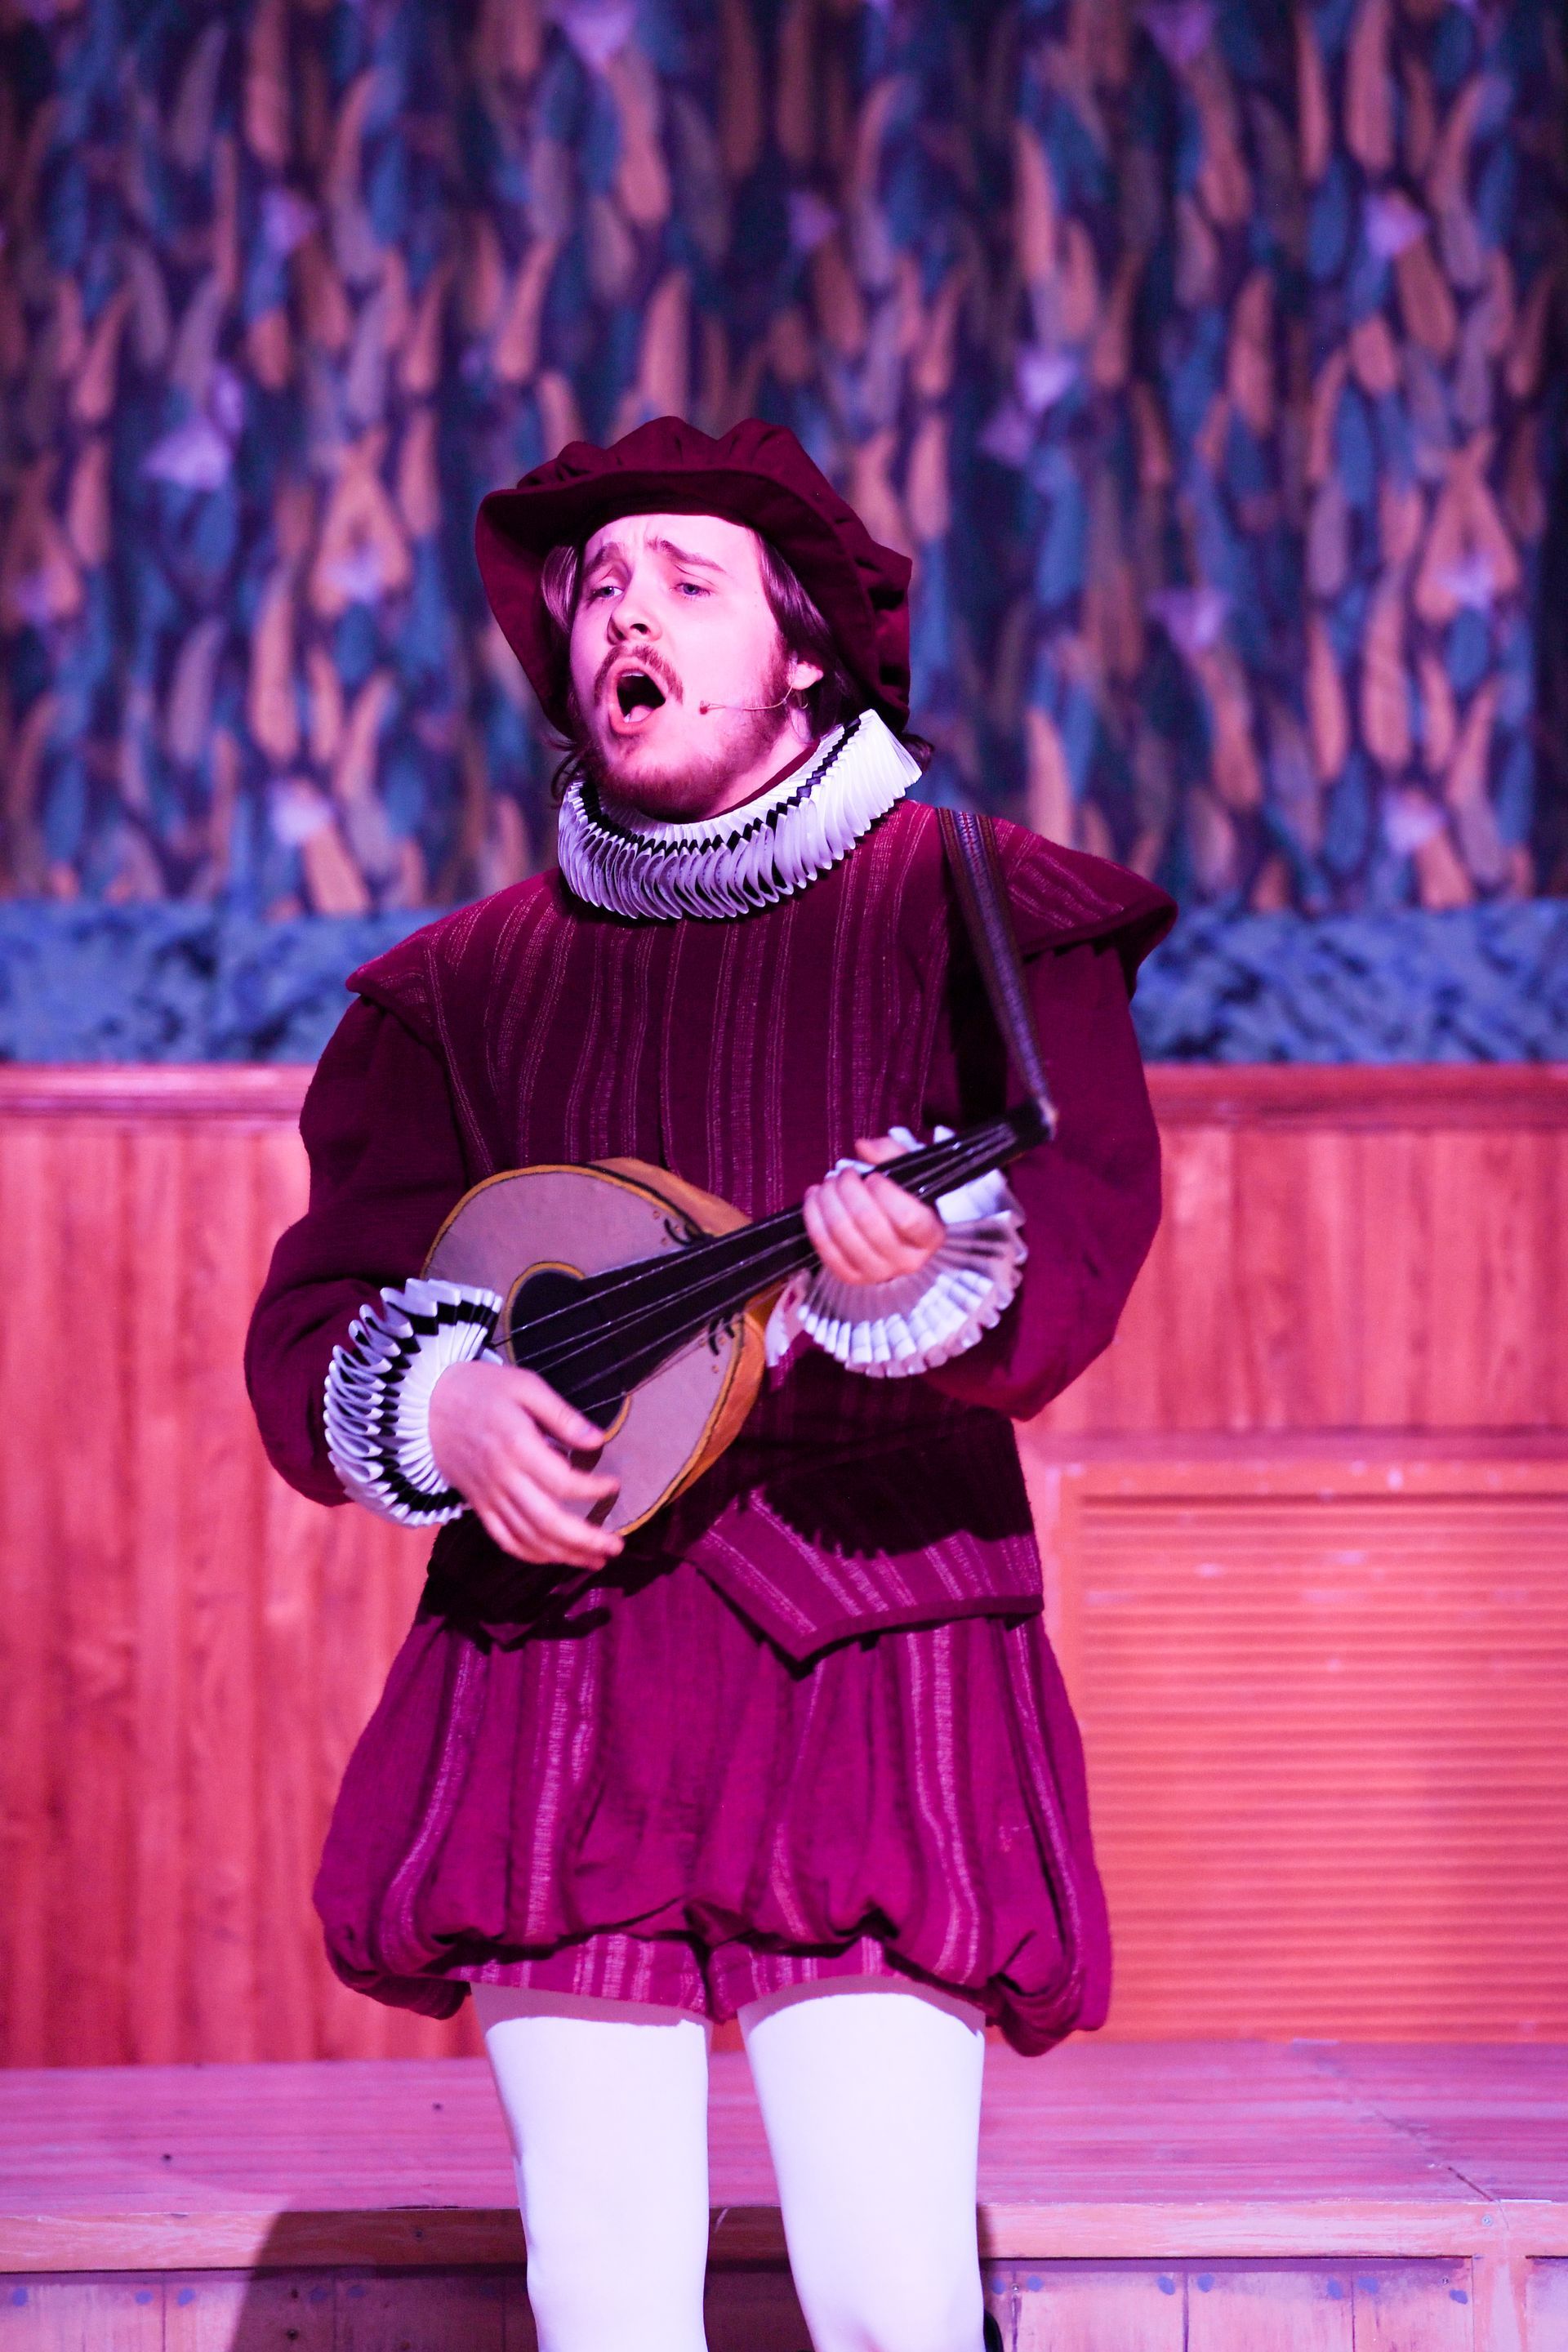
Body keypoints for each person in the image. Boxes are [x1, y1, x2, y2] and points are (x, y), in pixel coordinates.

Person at [246, 415, 1174, 2352]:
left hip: (875, 1647)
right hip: (560, 1669)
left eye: (685, 583)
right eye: (597, 591)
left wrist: (930, 1277)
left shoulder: (973, 899)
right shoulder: (459, 988)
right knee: (601, 2295)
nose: (624, 620)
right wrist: (445, 1405)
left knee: (888, 2287)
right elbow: (320, 1314)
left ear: (807, 646)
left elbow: (1073, 1229)